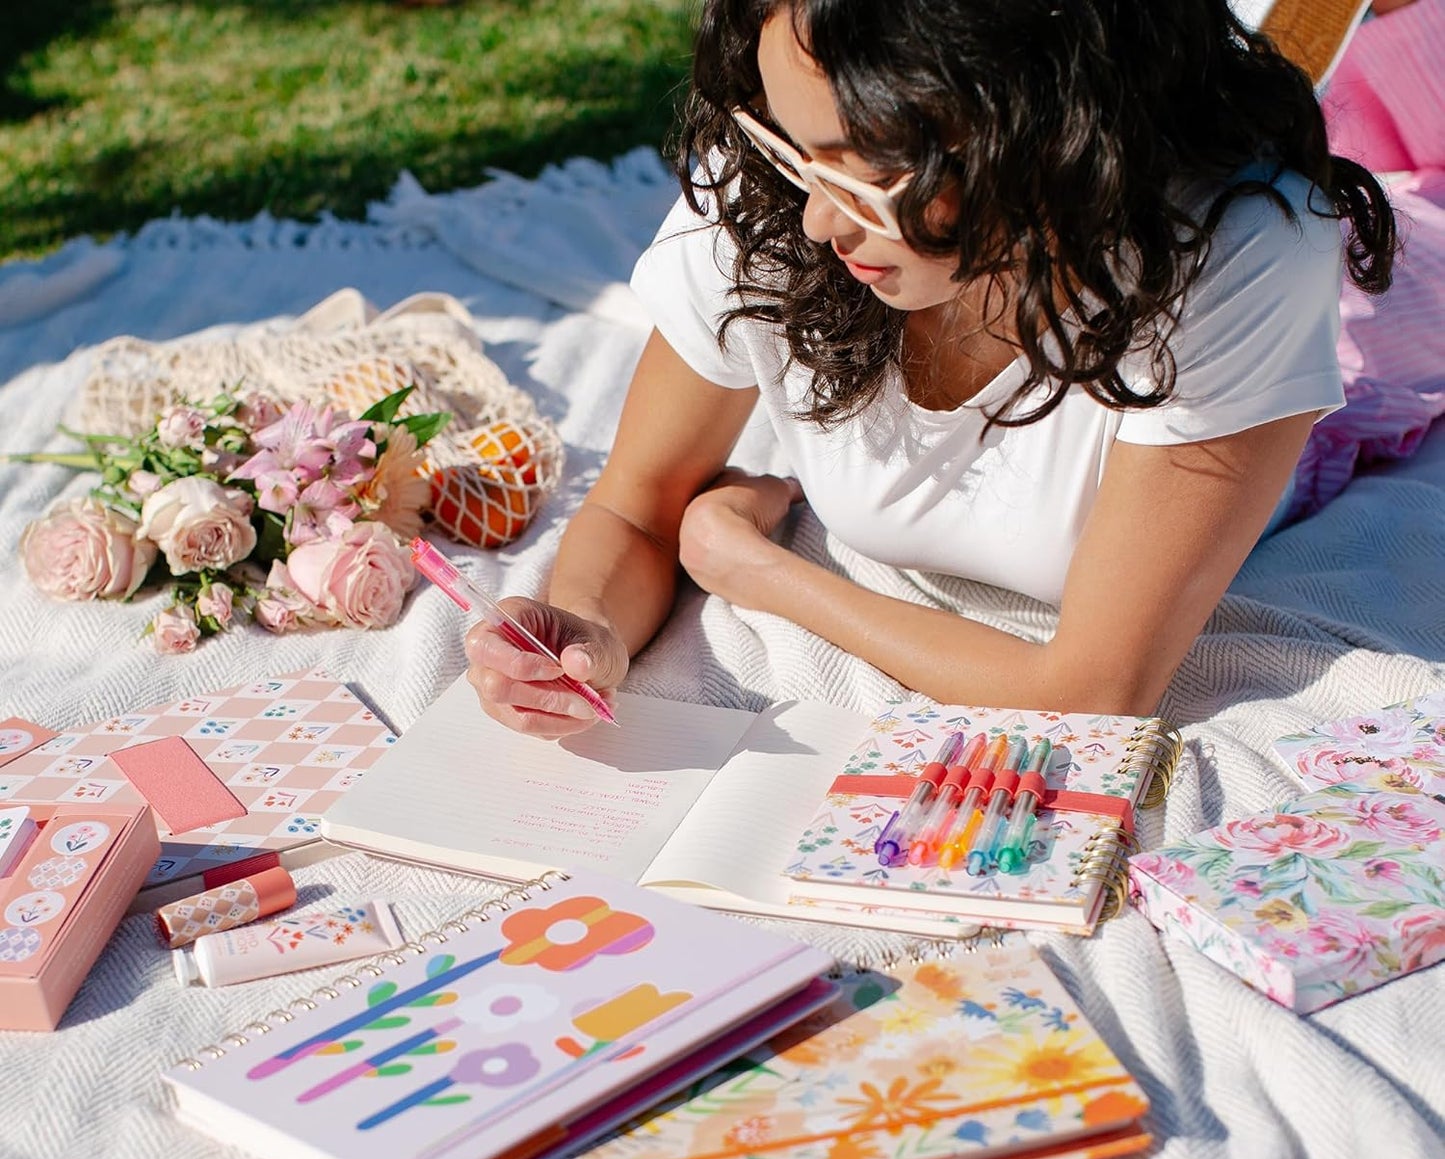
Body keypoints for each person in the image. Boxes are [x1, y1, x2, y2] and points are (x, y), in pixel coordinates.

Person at [468, 0, 1397, 738]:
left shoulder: (1240, 252)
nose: (818, 223)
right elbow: (633, 506)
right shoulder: (781, 189)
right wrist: (588, 629)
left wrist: (753, 569)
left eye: (863, 173)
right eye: (792, 150)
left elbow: (1092, 692)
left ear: (1040, 133)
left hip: (1299, 400)